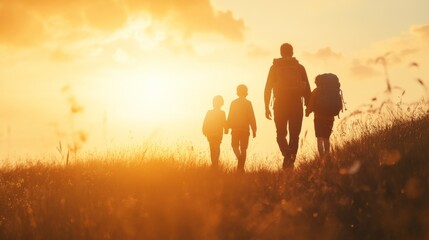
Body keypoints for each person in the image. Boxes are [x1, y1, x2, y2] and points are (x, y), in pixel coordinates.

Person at [264, 43, 311, 170]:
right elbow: (307, 88)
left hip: (280, 104)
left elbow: (267, 88)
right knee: (294, 135)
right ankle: (290, 162)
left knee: (280, 134)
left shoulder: (274, 68)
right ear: (292, 52)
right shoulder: (299, 67)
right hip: (296, 104)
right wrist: (308, 106)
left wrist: (266, 107)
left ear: (281, 52)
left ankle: (287, 156)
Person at [305, 73, 343, 160]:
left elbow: (311, 104)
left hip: (318, 118)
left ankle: (321, 158)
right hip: (330, 118)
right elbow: (340, 106)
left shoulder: (316, 91)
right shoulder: (334, 91)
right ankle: (327, 156)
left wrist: (307, 112)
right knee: (326, 138)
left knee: (319, 139)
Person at [226, 84, 257, 173]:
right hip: (245, 130)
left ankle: (240, 165)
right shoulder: (248, 103)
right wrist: (254, 129)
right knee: (243, 148)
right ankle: (241, 165)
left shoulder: (234, 103)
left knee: (234, 146)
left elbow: (230, 115)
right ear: (246, 92)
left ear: (238, 92)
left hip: (235, 129)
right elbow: (252, 117)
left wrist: (227, 127)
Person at [202, 95, 227, 169]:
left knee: (212, 148)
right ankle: (215, 163)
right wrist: (226, 129)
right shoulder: (222, 113)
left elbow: (205, 122)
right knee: (216, 147)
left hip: (210, 133)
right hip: (218, 134)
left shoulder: (209, 112)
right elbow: (224, 123)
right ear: (222, 103)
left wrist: (204, 130)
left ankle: (214, 163)